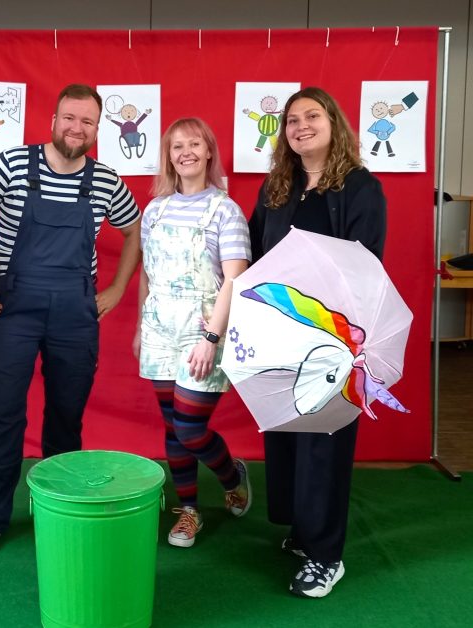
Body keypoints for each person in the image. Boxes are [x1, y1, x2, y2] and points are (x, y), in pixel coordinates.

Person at [0, 83, 141, 562]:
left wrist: (118, 288)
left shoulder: (104, 180)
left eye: (87, 122)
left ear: (98, 129)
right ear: (53, 121)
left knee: (65, 416)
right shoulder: (12, 165)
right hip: (11, 307)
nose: (76, 129)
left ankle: (57, 511)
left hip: (75, 313)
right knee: (1, 415)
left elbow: (138, 227)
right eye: (68, 118)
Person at [248, 87, 386, 598]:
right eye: (291, 120)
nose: (301, 125)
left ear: (334, 123)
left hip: (331, 338)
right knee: (286, 437)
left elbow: (364, 266)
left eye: (312, 116)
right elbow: (255, 254)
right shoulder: (277, 188)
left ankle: (328, 555)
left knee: (324, 443)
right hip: (278, 335)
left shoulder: (359, 187)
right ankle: (304, 531)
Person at [132, 117, 252, 549]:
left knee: (189, 427)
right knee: (171, 426)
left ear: (208, 152)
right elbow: (148, 273)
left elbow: (236, 280)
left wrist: (212, 339)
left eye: (194, 144)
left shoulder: (226, 210)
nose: (185, 152)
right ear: (169, 156)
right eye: (176, 145)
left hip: (203, 330)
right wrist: (141, 328)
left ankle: (231, 475)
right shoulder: (155, 210)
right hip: (160, 329)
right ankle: (189, 510)